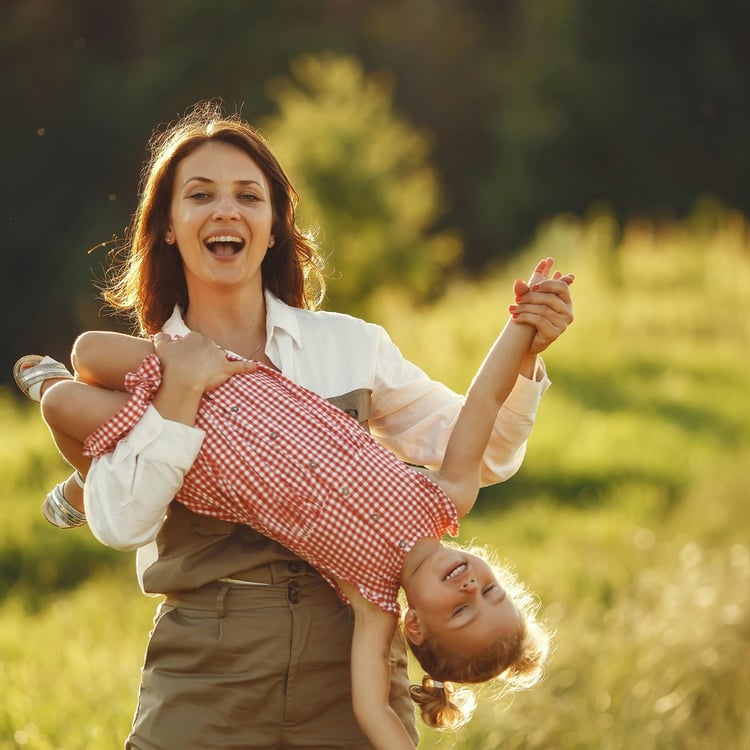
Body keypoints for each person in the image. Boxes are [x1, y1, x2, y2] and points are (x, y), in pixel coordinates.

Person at [14, 101, 574, 749]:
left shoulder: (349, 347)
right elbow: (124, 525)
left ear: (274, 226)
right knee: (74, 392)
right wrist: (183, 387)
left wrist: (528, 346)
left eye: (248, 196)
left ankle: (84, 477)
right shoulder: (152, 356)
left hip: (341, 668)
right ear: (167, 226)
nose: (226, 210)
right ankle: (85, 473)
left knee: (82, 412)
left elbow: (486, 446)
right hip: (210, 668)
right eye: (201, 195)